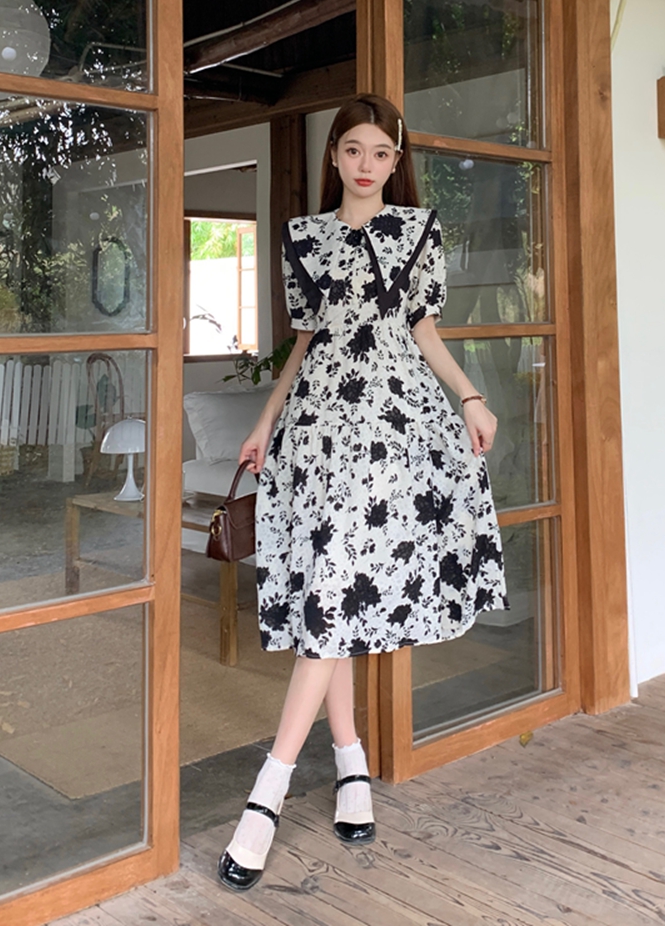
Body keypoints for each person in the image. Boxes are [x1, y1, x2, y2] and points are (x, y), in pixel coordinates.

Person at [217, 93, 507, 893]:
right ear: (334, 155)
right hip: (318, 428)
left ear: (396, 158)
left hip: (393, 429)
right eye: (353, 150)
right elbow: (304, 342)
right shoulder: (303, 237)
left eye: (381, 152)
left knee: (335, 589)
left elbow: (422, 330)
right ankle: (349, 762)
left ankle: (268, 793)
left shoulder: (418, 230)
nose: (366, 165)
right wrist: (265, 423)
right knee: (330, 592)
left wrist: (470, 396)